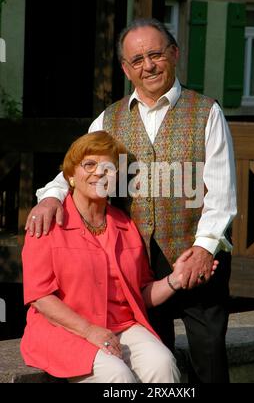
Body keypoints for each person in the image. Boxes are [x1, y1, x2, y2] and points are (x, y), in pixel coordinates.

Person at [25, 18, 237, 383]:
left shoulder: (206, 112)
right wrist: (51, 197)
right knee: (158, 355)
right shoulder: (109, 117)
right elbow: (79, 166)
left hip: (196, 253)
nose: (148, 66)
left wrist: (204, 250)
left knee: (209, 355)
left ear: (174, 53)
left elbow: (222, 195)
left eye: (156, 54)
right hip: (134, 261)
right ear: (126, 68)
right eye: (137, 60)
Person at [22, 130, 207, 383]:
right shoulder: (47, 222)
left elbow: (139, 293)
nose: (99, 172)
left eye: (108, 167)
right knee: (117, 376)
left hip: (121, 327)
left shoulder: (126, 226)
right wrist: (89, 331)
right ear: (71, 176)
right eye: (89, 164)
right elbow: (40, 297)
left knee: (162, 364)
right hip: (64, 330)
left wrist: (176, 278)